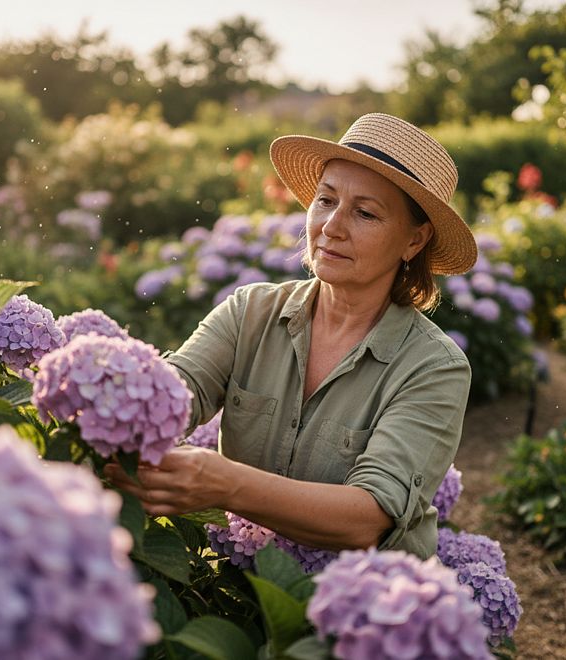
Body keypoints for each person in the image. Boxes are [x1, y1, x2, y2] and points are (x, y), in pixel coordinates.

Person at [106, 113, 477, 558]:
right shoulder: (250, 313)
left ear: (414, 242)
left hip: (365, 611)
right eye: (325, 200)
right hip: (242, 585)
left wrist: (223, 482)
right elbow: (171, 393)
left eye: (365, 213)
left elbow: (366, 518)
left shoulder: (435, 367)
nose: (332, 226)